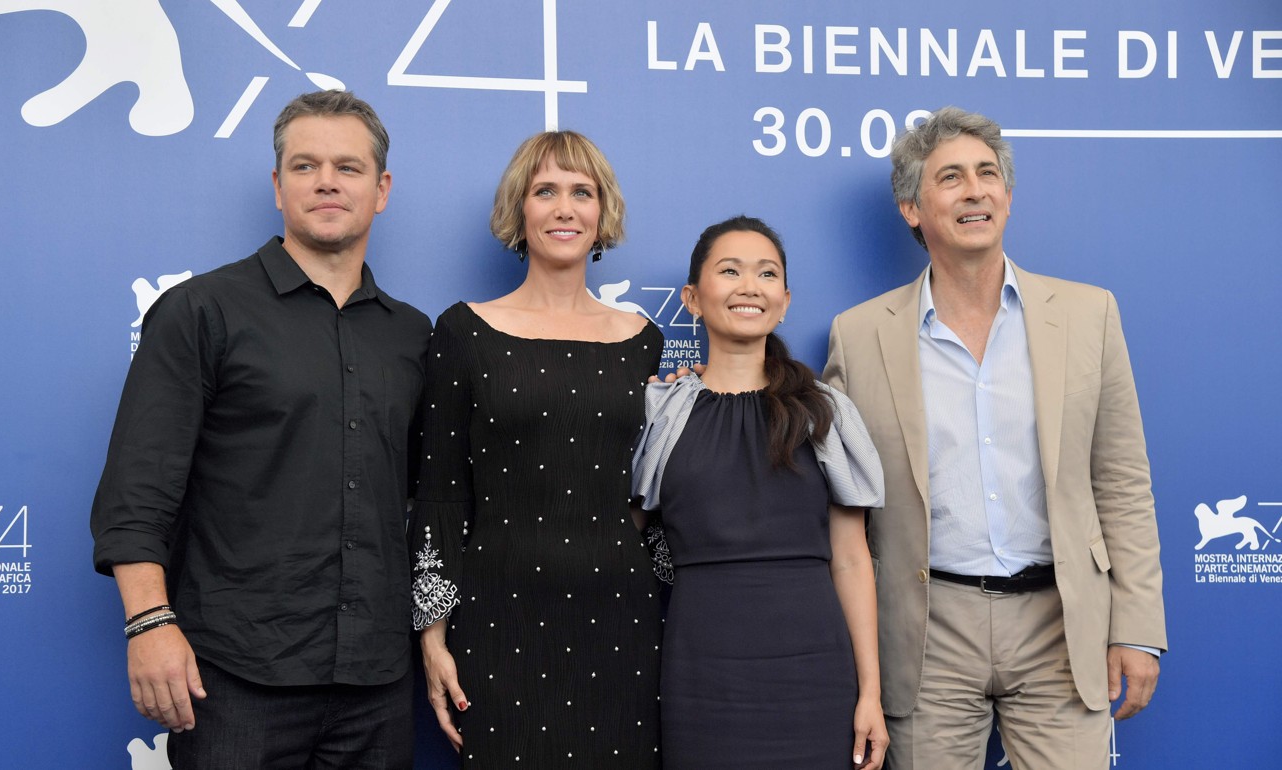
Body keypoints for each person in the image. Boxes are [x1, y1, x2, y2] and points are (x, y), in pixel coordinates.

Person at [90, 90, 430, 769]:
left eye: (348, 167)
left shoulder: (413, 335)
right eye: (305, 166)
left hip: (377, 682)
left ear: (382, 189)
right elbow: (138, 491)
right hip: (234, 679)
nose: (327, 181)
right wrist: (149, 623)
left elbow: (437, 500)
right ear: (278, 187)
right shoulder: (201, 312)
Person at [823, 106, 1166, 770]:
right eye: (951, 177)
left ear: (1007, 196)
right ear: (911, 208)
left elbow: (1122, 482)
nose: (975, 190)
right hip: (927, 633)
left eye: (987, 174)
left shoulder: (1090, 314)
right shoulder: (858, 335)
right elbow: (842, 503)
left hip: (1060, 627)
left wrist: (1139, 628)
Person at [410, 130, 663, 767]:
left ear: (602, 212)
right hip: (498, 616)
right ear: (518, 210)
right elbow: (439, 492)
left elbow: (655, 498)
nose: (564, 207)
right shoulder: (463, 331)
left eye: (582, 192)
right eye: (544, 190)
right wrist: (431, 633)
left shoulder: (644, 342)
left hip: (623, 619)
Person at [633, 216, 888, 769]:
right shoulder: (662, 412)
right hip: (700, 673)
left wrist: (870, 692)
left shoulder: (825, 412)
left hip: (815, 675)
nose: (750, 286)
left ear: (785, 300)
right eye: (730, 271)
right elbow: (625, 538)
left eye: (766, 274)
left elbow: (850, 559)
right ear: (693, 298)